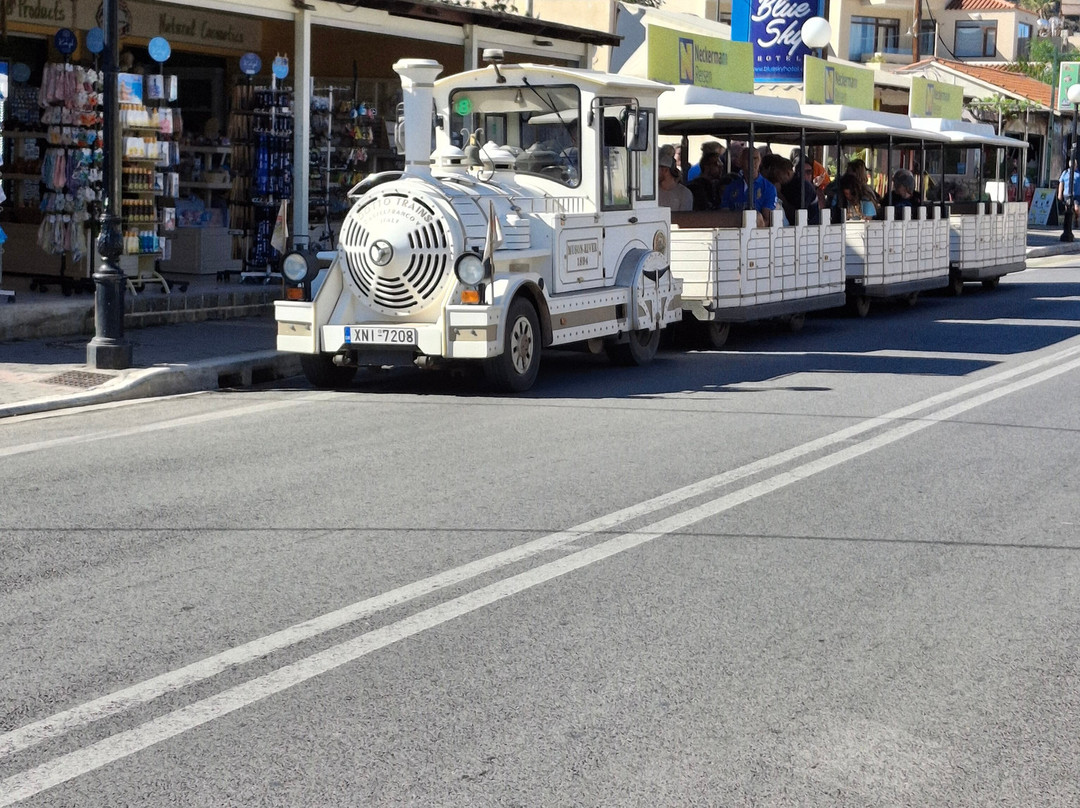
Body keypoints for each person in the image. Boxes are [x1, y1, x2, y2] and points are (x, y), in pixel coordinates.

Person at [720, 147, 778, 221]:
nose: (752, 162)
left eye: (755, 158)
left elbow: (767, 220)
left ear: (760, 162)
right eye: (748, 159)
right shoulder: (731, 187)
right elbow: (724, 216)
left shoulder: (768, 188)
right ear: (740, 162)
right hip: (734, 230)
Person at [779, 158, 822, 226]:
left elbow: (798, 214)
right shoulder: (787, 185)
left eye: (809, 172)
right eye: (802, 172)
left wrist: (779, 195)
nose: (806, 175)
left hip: (809, 227)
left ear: (788, 173)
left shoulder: (805, 187)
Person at [1058, 158, 1080, 228]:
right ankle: (1067, 223)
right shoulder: (1065, 173)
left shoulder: (1078, 173)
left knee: (1076, 209)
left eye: (1075, 165)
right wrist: (1059, 193)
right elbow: (1061, 183)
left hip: (1076, 194)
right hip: (1067, 193)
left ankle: (1076, 218)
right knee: (1067, 209)